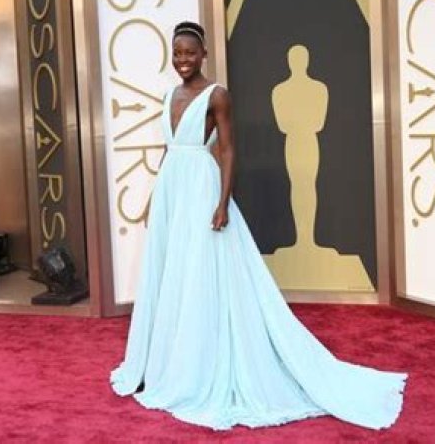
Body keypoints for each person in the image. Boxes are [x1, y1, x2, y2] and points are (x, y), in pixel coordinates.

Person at [110, 21, 406, 431]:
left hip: (202, 191)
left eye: (190, 53)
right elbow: (170, 150)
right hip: (172, 194)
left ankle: (197, 367)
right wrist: (156, 198)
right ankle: (164, 364)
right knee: (172, 272)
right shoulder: (167, 96)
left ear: (204, 54)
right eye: (177, 53)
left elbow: (228, 149)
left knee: (200, 273)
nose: (183, 60)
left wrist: (223, 202)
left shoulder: (217, 95)